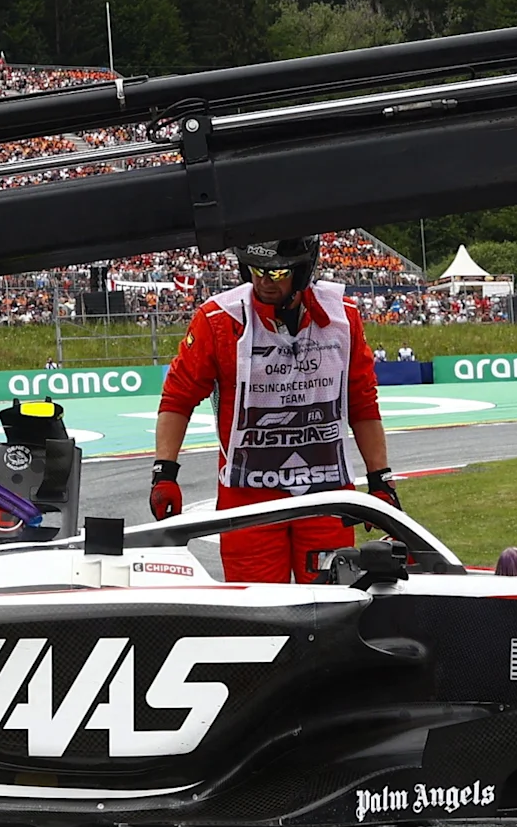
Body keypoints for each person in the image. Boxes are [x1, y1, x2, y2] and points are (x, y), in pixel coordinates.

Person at [147, 237, 397, 583]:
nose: (264, 281)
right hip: (248, 502)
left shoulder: (343, 318)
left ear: (302, 270)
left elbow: (363, 404)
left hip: (327, 497)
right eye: (256, 270)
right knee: (260, 616)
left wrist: (380, 479)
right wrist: (165, 473)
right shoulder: (218, 318)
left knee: (334, 606)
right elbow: (178, 397)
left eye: (277, 272)